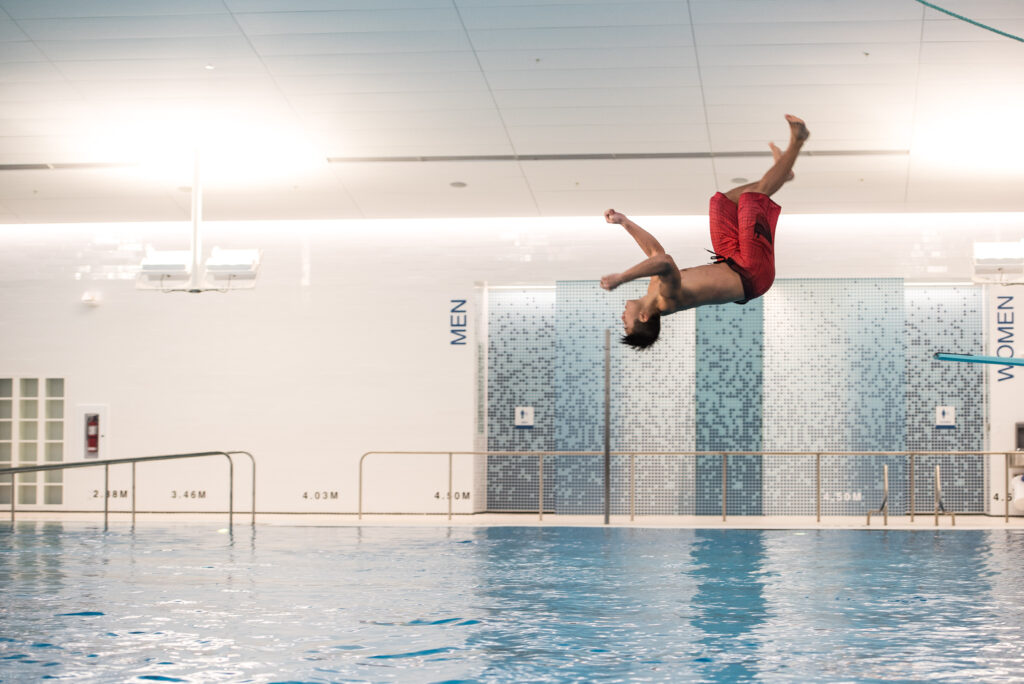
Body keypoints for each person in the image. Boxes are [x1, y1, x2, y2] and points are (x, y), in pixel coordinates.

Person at [600, 114, 809, 350]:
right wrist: (621, 277)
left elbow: (655, 252)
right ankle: (798, 141)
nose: (621, 319)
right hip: (752, 275)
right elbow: (665, 262)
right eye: (626, 325)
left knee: (721, 202)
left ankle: (781, 173)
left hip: (730, 261)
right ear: (644, 317)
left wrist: (624, 222)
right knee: (752, 199)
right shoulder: (666, 300)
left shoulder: (653, 289)